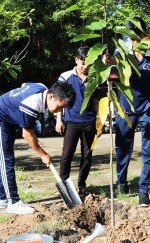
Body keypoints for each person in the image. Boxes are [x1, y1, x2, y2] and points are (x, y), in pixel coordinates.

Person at [0, 82, 75, 215]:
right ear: (51, 97)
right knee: (5, 160)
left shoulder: (42, 87)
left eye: (61, 109)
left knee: (4, 159)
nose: (58, 112)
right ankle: (13, 203)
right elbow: (27, 134)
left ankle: (2, 198)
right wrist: (42, 154)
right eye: (58, 107)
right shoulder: (32, 104)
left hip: (9, 121)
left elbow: (24, 84)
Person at [111, 17, 150, 207]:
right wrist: (107, 61)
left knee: (148, 150)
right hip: (125, 108)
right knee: (123, 148)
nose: (134, 41)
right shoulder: (120, 51)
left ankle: (144, 191)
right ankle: (122, 182)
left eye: (137, 37)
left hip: (146, 108)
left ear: (144, 35)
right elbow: (112, 76)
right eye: (131, 38)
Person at [55, 46, 98, 195]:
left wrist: (98, 120)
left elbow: (96, 101)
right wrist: (58, 119)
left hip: (89, 122)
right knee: (67, 154)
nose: (85, 66)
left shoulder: (94, 77)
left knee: (87, 155)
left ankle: (82, 185)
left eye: (88, 63)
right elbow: (58, 99)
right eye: (82, 62)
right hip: (71, 122)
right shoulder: (65, 77)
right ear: (76, 60)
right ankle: (64, 185)